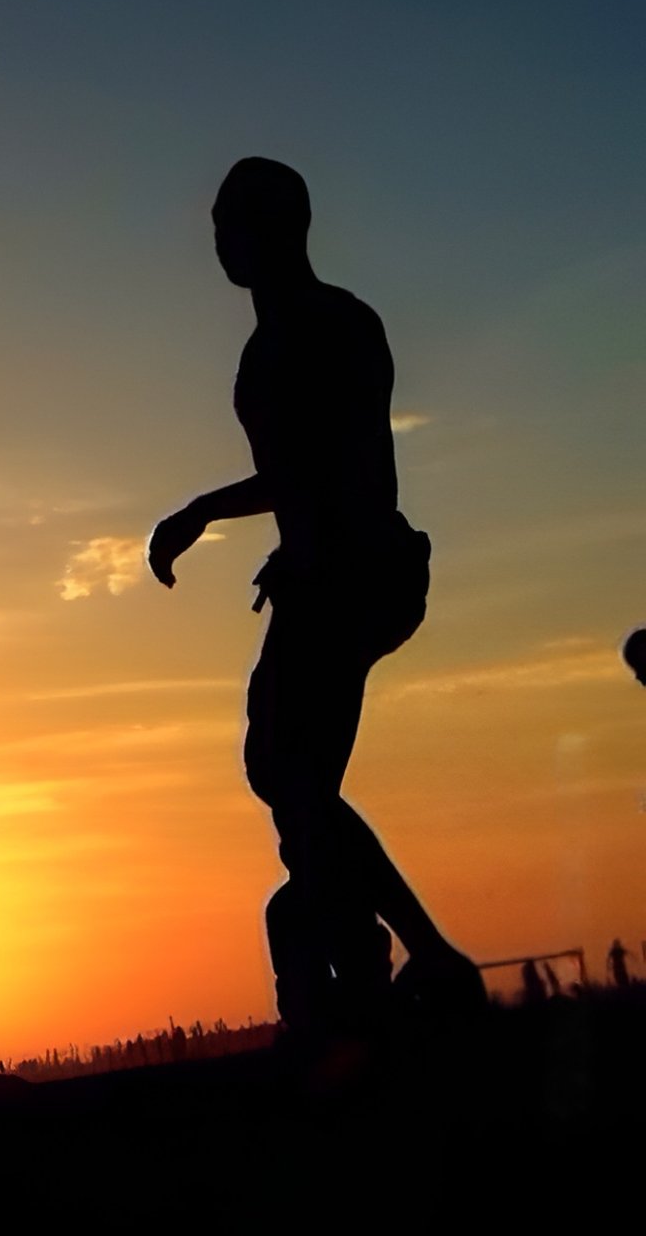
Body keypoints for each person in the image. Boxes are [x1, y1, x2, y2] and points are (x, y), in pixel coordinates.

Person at [148, 158, 484, 1035]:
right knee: (292, 782)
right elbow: (295, 476)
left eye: (235, 222)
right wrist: (257, 532)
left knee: (288, 772)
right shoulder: (265, 351)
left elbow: (345, 464)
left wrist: (235, 522)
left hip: (358, 574)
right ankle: (357, 954)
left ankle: (416, 955)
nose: (221, 240)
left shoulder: (335, 326)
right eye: (218, 223)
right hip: (321, 576)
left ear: (282, 227)